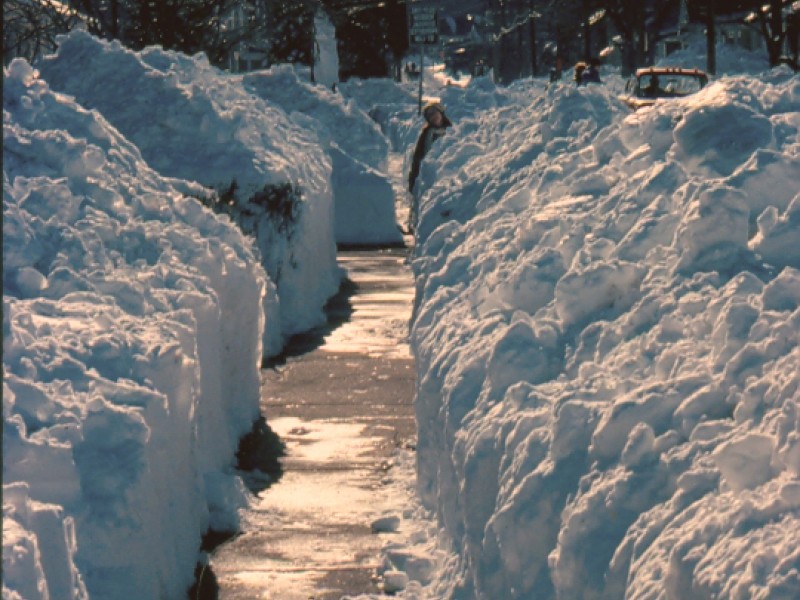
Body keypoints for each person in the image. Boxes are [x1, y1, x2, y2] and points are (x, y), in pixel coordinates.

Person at [407, 102, 452, 231]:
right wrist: (414, 177)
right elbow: (419, 156)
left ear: (441, 113)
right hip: (431, 173)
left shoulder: (452, 130)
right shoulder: (427, 133)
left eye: (435, 113)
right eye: (430, 116)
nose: (433, 117)